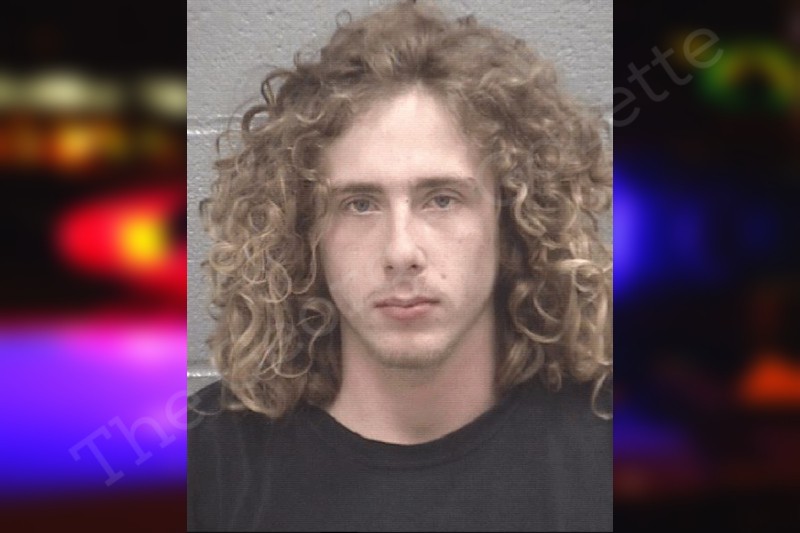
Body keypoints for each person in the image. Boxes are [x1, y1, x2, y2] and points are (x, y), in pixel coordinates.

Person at [188, 1, 612, 531]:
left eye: (442, 199)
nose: (401, 251)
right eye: (360, 204)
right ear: (303, 233)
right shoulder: (204, 465)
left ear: (513, 222)